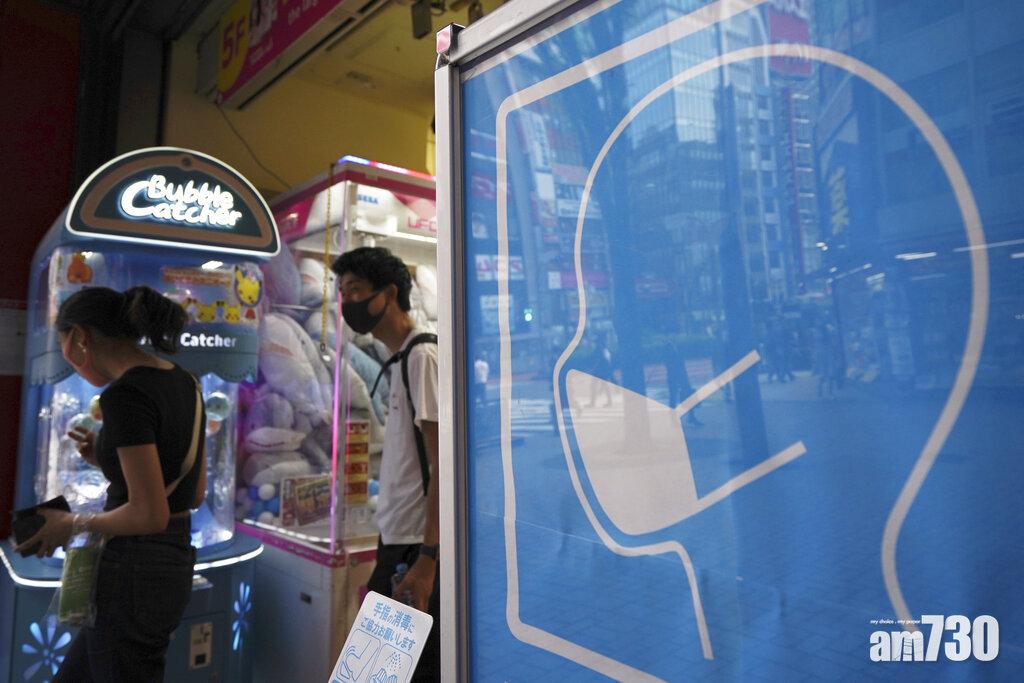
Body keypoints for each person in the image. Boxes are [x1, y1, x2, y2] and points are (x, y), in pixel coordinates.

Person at [16, 286, 205, 682]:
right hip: (171, 563)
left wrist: (71, 524)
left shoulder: (124, 396)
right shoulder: (187, 383)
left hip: (132, 573)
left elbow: (149, 514)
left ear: (79, 338)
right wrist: (106, 457)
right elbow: (193, 492)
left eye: (63, 345)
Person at [332, 247, 440, 681]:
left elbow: (442, 466)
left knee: (378, 674)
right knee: (378, 674)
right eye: (342, 292)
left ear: (390, 293)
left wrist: (429, 557)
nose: (348, 302)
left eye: (356, 289)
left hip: (414, 549)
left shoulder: (422, 357)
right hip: (398, 542)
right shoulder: (400, 360)